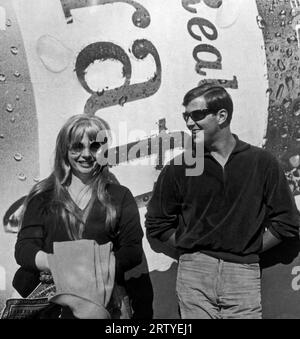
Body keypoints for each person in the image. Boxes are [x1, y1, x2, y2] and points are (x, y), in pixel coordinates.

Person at [145, 83, 300, 319]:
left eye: (196, 115)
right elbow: (157, 224)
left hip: (243, 274)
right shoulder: (179, 167)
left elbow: (287, 222)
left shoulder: (262, 162)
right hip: (193, 274)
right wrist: (193, 248)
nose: (189, 123)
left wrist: (249, 248)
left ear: (222, 115)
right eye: (186, 116)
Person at [13, 114, 143, 318]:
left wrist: (80, 268)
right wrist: (65, 265)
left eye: (94, 147)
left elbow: (132, 251)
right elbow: (25, 249)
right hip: (46, 303)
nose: (86, 154)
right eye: (77, 147)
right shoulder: (42, 196)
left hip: (101, 301)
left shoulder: (120, 196)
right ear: (65, 149)